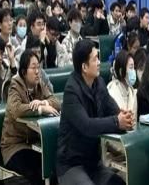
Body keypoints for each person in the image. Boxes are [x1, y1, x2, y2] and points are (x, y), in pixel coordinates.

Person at [56, 39, 132, 185]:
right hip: (71, 165)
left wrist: (124, 117)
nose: (99, 63)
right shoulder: (71, 91)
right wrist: (117, 122)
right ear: (84, 67)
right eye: (95, 59)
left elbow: (114, 111)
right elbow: (87, 126)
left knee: (119, 183)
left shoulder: (99, 83)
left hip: (93, 164)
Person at [1, 50, 60, 184]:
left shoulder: (39, 84)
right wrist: (39, 109)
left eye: (38, 67)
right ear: (23, 71)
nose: (37, 71)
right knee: (39, 173)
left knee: (53, 167)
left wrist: (44, 102)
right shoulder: (15, 85)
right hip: (14, 146)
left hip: (33, 144)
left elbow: (56, 102)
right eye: (33, 68)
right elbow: (16, 109)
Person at [107, 50, 138, 120]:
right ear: (121, 71)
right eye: (131, 68)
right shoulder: (112, 91)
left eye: (134, 68)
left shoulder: (132, 91)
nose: (133, 71)